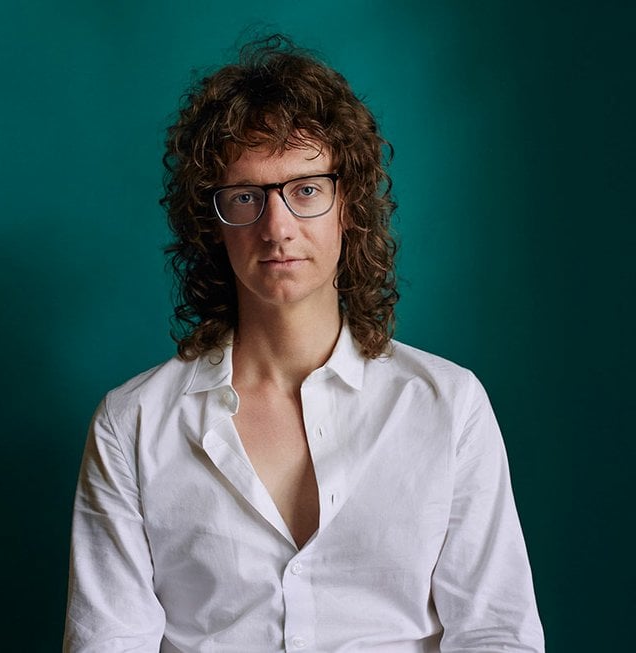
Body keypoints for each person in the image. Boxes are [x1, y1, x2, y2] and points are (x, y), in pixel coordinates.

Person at [63, 34, 545, 652]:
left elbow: (497, 633)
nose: (277, 227)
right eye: (246, 197)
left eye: (306, 189)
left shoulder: (447, 404)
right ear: (213, 223)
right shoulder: (131, 423)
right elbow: (108, 641)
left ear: (349, 206)